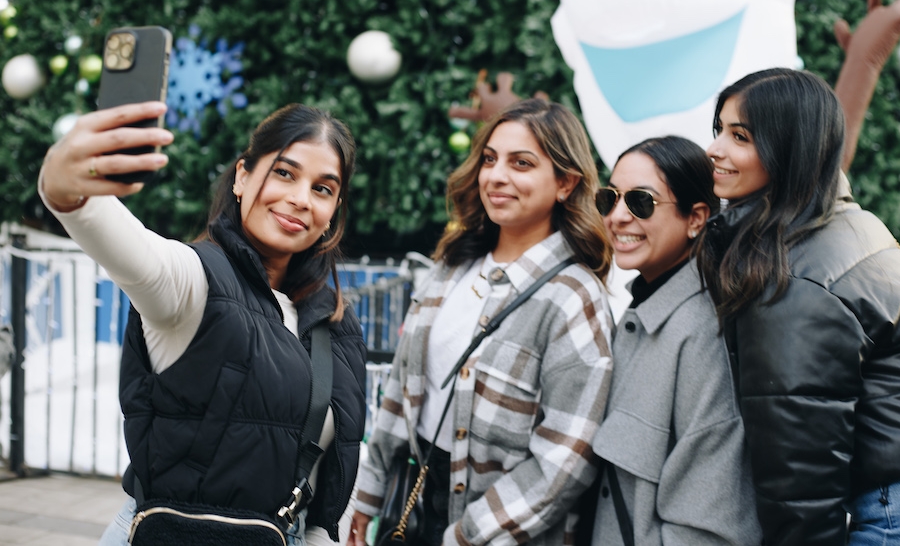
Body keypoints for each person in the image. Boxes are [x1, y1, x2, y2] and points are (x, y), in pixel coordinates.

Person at [38, 101, 368, 546]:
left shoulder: (335, 325)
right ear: (242, 176)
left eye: (323, 189)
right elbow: (121, 241)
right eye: (285, 173)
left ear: (333, 211)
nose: (300, 199)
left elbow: (324, 479)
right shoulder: (193, 282)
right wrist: (64, 184)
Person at [698, 68, 900, 546]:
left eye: (741, 136)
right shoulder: (842, 223)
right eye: (718, 130)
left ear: (789, 148)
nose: (715, 148)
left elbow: (800, 455)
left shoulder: (791, 269)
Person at [349, 98, 615, 546]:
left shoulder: (573, 297)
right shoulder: (453, 265)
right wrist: (369, 491)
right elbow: (403, 387)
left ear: (566, 183)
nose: (496, 176)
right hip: (413, 508)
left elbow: (566, 457)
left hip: (504, 529)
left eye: (522, 163)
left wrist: (469, 535)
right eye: (490, 159)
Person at [589, 136, 762, 546]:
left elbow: (710, 526)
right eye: (608, 198)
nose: (617, 216)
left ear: (696, 218)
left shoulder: (702, 332)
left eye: (641, 202)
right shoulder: (643, 310)